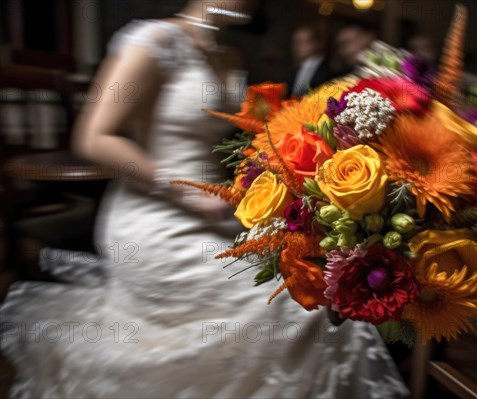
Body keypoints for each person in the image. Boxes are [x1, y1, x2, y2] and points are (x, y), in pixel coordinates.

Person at [0, 1, 409, 398]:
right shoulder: (152, 40)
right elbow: (93, 137)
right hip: (156, 219)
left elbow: (237, 141)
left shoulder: (229, 53)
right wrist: (186, 194)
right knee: (295, 311)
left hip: (221, 213)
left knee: (319, 292)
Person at [288, 25, 335, 97]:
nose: (298, 46)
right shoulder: (294, 71)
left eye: (303, 42)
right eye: (296, 42)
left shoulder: (328, 70)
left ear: (316, 43)